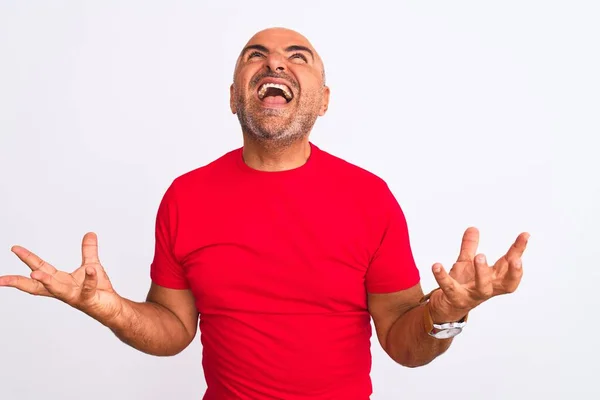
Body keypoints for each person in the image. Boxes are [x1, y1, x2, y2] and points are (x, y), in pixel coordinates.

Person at [0, 27, 529, 399]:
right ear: (235, 97)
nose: (275, 62)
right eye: (257, 54)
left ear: (322, 100)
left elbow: (402, 344)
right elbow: (173, 330)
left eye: (298, 56)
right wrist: (107, 308)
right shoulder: (187, 196)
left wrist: (447, 313)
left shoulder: (369, 197)